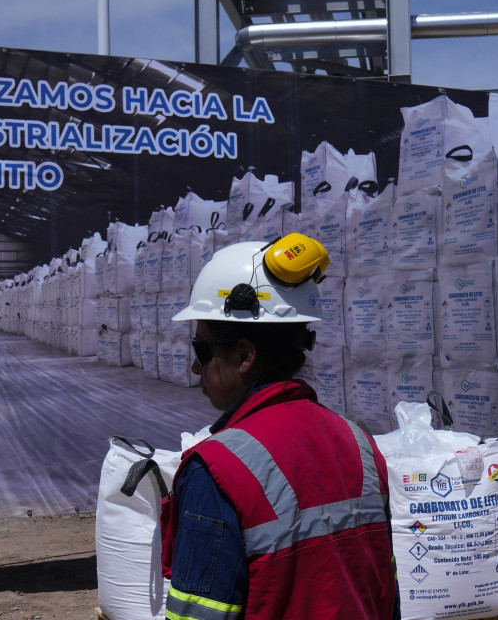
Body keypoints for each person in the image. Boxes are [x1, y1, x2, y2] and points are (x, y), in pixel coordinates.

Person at [163, 234, 398, 620]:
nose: (194, 367)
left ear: (243, 356)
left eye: (201, 350)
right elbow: (386, 591)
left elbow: (199, 614)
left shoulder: (217, 468)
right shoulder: (360, 445)